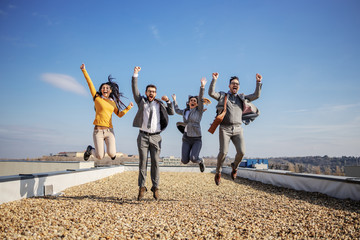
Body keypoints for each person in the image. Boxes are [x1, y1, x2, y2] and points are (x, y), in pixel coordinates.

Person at [208, 72, 263, 185]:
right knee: (223, 152)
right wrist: (214, 80)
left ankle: (235, 166)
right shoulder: (223, 96)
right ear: (229, 85)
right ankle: (218, 172)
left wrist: (258, 82)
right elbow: (211, 93)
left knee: (242, 152)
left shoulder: (242, 98)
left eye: (237, 84)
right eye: (233, 83)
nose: (235, 85)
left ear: (238, 87)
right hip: (225, 128)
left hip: (238, 129)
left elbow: (256, 95)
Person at [132, 66, 174, 201]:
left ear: (156, 93)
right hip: (143, 136)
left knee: (155, 162)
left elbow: (172, 112)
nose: (152, 93)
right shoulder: (141, 101)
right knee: (142, 162)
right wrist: (135, 75)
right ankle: (142, 187)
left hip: (156, 136)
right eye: (149, 91)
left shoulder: (159, 104)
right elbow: (135, 90)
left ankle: (155, 187)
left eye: (154, 91)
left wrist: (168, 101)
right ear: (146, 92)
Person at [80, 63, 133, 161]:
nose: (105, 89)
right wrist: (84, 71)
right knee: (100, 156)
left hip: (109, 131)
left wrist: (128, 107)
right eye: (103, 88)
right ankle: (90, 150)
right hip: (98, 131)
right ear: (101, 90)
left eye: (107, 88)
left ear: (111, 91)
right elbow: (90, 83)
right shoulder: (97, 98)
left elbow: (120, 115)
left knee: (112, 154)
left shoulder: (112, 102)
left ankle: (111, 153)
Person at [171, 77, 207, 172]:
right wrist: (174, 101)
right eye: (191, 100)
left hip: (196, 138)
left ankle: (200, 161)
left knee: (194, 158)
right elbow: (177, 110)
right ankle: (189, 158)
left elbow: (201, 98)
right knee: (184, 161)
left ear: (197, 103)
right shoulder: (185, 111)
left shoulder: (199, 111)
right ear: (189, 102)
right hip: (186, 138)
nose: (193, 101)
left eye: (195, 101)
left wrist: (202, 87)